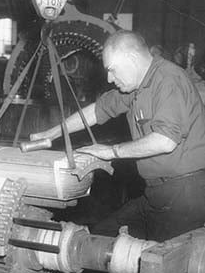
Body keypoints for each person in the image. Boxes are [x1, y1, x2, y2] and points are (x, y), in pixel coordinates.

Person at [31, 29, 205, 243]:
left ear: (132, 59)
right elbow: (96, 111)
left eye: (112, 70)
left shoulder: (168, 80)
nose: (109, 78)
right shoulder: (136, 87)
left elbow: (165, 141)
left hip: (184, 195)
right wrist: (51, 134)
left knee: (154, 266)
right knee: (101, 237)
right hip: (156, 193)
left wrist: (109, 152)